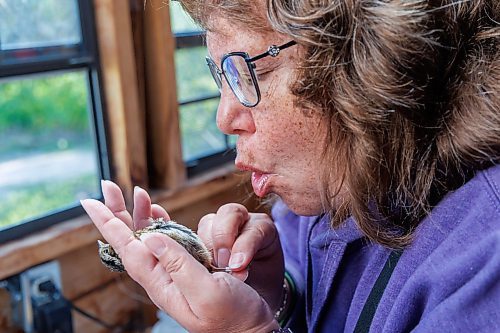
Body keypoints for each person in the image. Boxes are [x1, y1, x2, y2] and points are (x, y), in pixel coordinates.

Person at [81, 0, 500, 332]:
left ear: (369, 62)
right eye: (221, 75)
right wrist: (275, 296)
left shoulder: (485, 266)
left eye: (249, 72)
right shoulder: (329, 177)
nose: (224, 118)